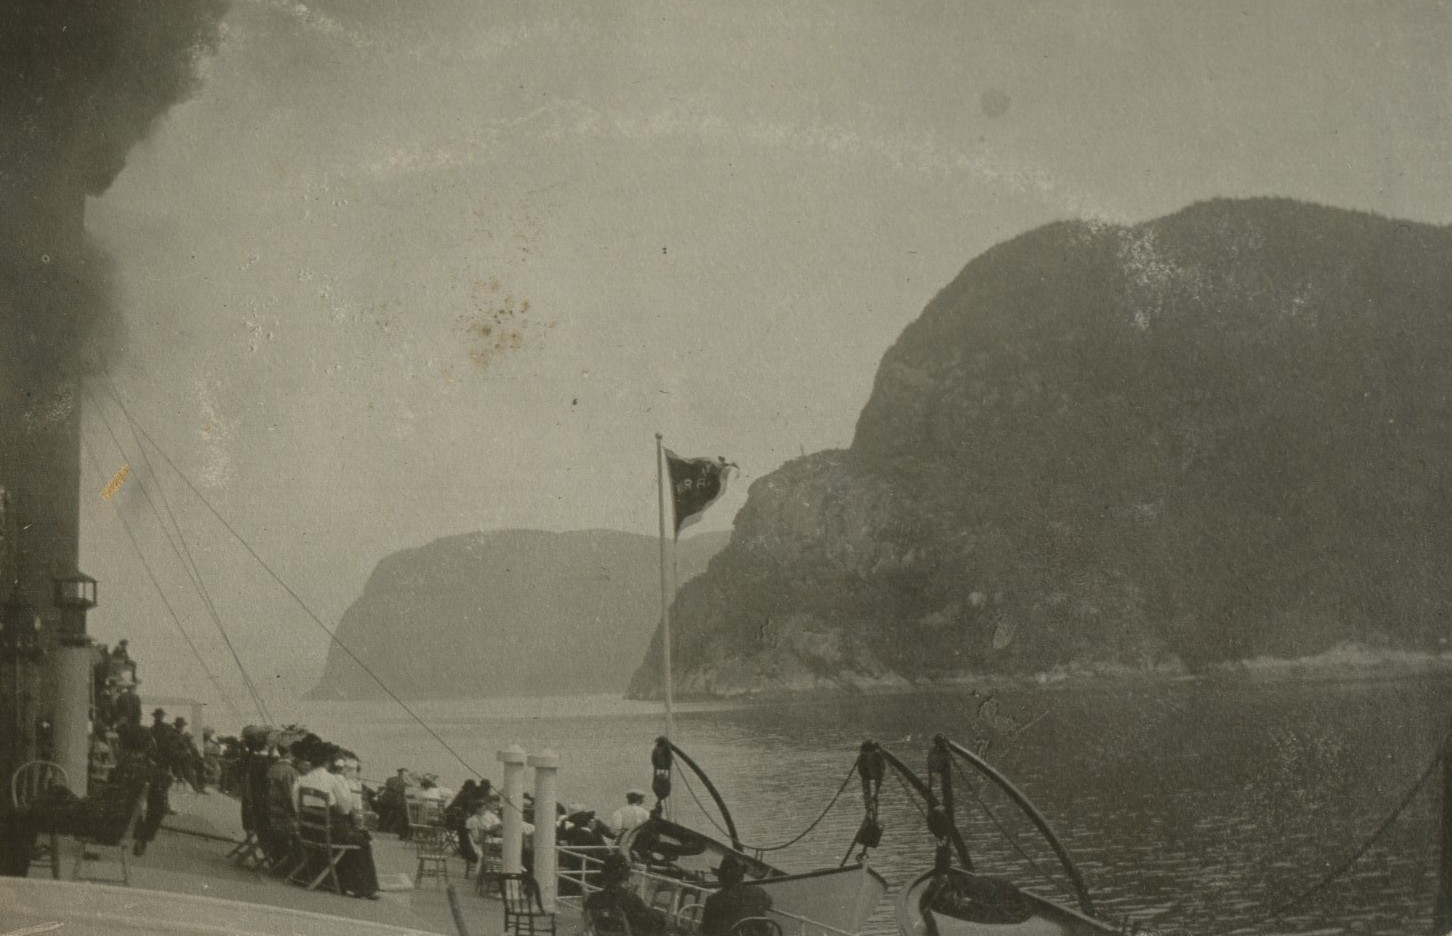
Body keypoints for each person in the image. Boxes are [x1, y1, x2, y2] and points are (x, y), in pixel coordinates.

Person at [296, 747, 380, 899]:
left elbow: (294, 804)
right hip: (326, 834)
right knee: (362, 841)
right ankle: (363, 888)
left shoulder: (302, 779)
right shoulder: (332, 780)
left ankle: (342, 881)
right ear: (329, 762)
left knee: (351, 835)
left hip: (307, 831)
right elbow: (345, 809)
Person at [584, 853, 666, 936]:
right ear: (625, 875)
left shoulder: (591, 899)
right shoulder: (630, 899)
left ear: (604, 873)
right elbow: (647, 920)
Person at [700, 855, 773, 936]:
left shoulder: (713, 900)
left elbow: (706, 931)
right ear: (741, 877)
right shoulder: (757, 892)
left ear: (721, 880)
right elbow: (769, 901)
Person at [262, 742, 305, 869]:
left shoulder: (273, 768)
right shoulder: (291, 772)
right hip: (282, 819)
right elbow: (293, 800)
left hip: (270, 816)